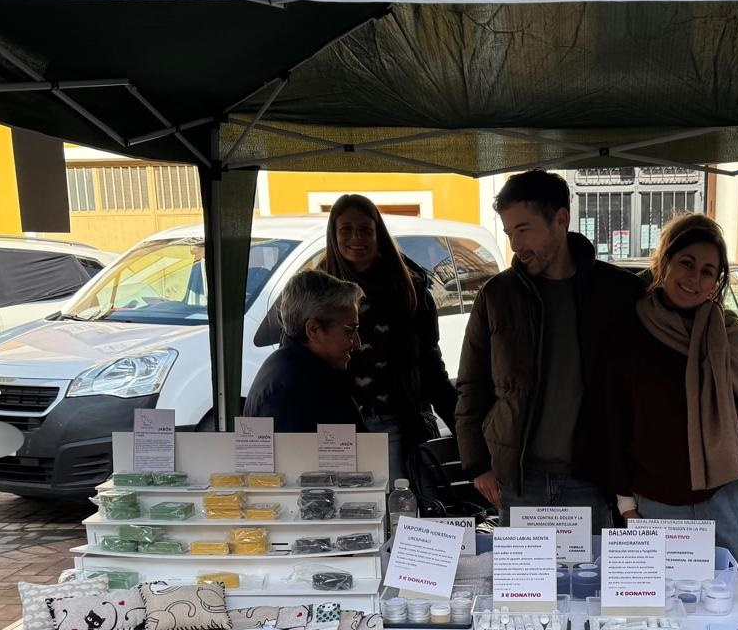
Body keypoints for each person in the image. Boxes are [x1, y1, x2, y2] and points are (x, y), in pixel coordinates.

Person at [607, 213, 738, 571]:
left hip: (734, 498)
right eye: (686, 263)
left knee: (734, 610)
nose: (695, 278)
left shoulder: (731, 335)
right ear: (664, 264)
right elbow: (614, 420)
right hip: (656, 501)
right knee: (664, 610)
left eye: (708, 271)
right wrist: (625, 502)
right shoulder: (630, 335)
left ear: (717, 282)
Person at [455, 169, 642, 524]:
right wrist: (477, 465)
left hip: (593, 480)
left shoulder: (619, 292)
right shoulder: (496, 296)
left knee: (592, 580)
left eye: (523, 229)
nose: (515, 245)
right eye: (509, 233)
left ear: (561, 219)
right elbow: (471, 386)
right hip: (520, 482)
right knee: (525, 582)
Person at [255, 194, 454, 479]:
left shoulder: (409, 285)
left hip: (400, 418)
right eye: (346, 229)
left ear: (378, 232)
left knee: (401, 502)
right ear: (333, 234)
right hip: (339, 420)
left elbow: (432, 365)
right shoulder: (317, 286)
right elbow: (298, 347)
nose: (356, 237)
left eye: (364, 229)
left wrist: (463, 428)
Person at [242, 269, 365, 432]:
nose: (357, 343)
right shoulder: (292, 392)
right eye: (350, 330)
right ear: (313, 330)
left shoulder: (295, 371)